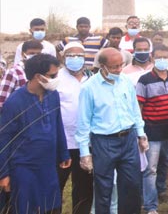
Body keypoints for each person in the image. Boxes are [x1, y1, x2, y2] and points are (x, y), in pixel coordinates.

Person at [76, 48, 148, 214]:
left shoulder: (125, 81)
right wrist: (84, 153)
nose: (118, 70)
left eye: (121, 65)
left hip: (128, 139)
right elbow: (83, 122)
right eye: (114, 66)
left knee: (132, 185)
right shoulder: (89, 88)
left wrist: (141, 134)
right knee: (104, 187)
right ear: (102, 66)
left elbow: (134, 109)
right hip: (104, 141)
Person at [0, 54, 71, 214]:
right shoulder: (15, 102)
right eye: (53, 75)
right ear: (38, 76)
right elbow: (3, 138)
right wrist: (3, 174)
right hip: (23, 166)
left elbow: (57, 123)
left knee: (51, 206)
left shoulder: (53, 95)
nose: (56, 78)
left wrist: (63, 152)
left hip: (48, 164)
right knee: (25, 207)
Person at [136, 45, 168, 212]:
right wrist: (140, 133)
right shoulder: (144, 80)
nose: (162, 60)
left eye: (165, 57)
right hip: (152, 133)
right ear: (152, 58)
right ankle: (150, 206)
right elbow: (138, 107)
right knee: (150, 171)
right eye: (159, 57)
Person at [57, 42, 94, 214]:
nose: (75, 59)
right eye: (71, 55)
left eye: (79, 55)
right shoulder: (55, 78)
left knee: (84, 188)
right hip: (62, 142)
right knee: (56, 185)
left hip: (86, 143)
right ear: (64, 57)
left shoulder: (91, 78)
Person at [0, 40, 43, 110]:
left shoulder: (42, 72)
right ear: (23, 54)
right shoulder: (14, 72)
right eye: (32, 53)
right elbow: (2, 100)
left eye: (38, 54)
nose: (35, 56)